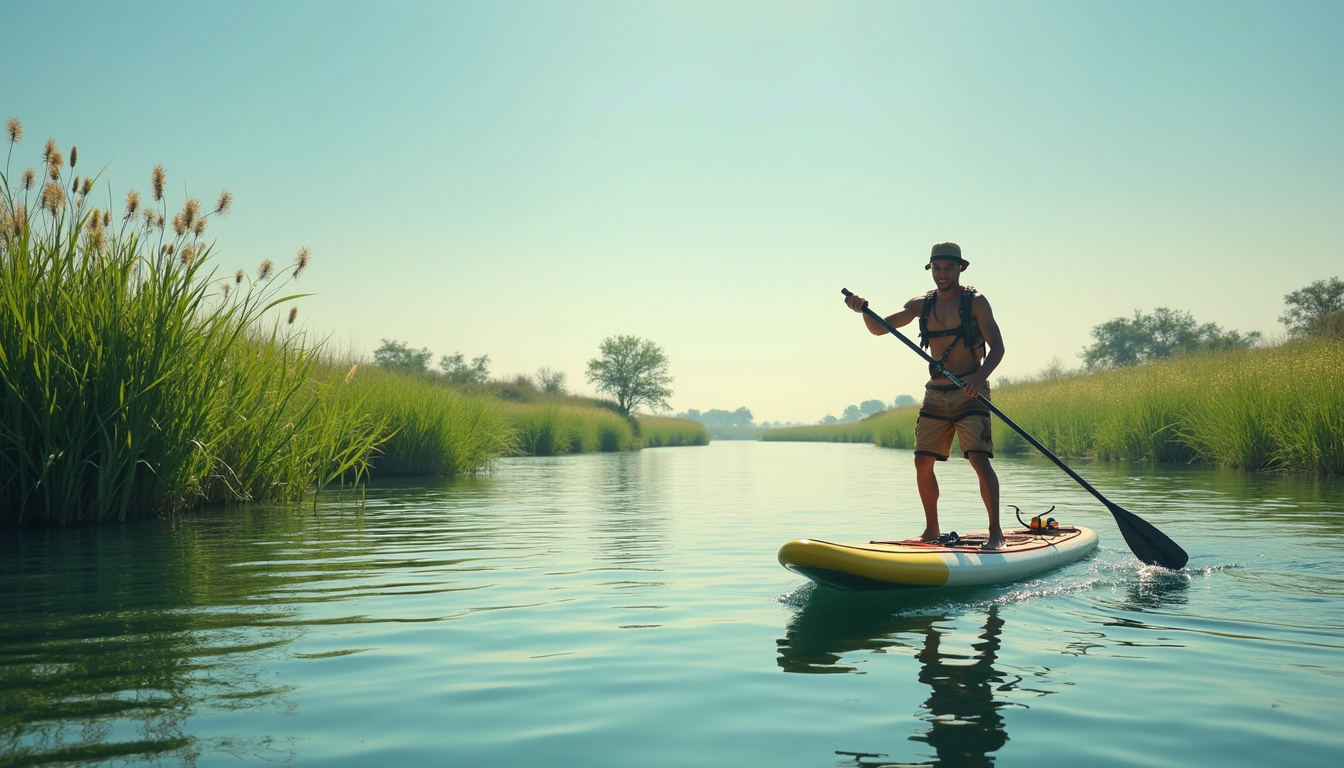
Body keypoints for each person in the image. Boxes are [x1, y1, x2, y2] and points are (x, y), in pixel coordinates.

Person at [844, 241, 1006, 550]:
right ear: (930, 269)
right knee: (922, 461)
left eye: (949, 267)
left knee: (978, 458)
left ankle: (995, 532)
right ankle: (932, 529)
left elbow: (997, 347)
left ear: (960, 268)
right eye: (937, 268)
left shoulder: (976, 302)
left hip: (970, 391)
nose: (942, 273)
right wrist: (863, 310)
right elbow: (879, 329)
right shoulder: (921, 304)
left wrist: (980, 378)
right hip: (936, 394)